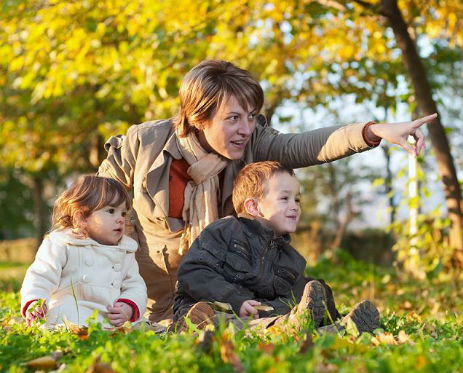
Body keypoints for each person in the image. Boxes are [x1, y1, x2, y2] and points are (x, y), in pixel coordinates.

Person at [98, 59, 436, 326]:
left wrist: (372, 131)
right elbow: (89, 211)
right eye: (233, 118)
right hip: (150, 301)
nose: (245, 129)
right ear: (199, 117)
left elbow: (306, 145)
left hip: (228, 290)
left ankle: (307, 321)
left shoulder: (252, 142)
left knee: (253, 316)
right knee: (197, 325)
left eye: (251, 116)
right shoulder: (144, 145)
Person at [174, 161, 380, 334]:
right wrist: (235, 300)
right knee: (219, 321)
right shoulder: (226, 230)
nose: (295, 206)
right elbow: (193, 271)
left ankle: (335, 328)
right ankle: (288, 327)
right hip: (208, 310)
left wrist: (321, 299)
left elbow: (301, 297)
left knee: (309, 290)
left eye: (297, 199)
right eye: (285, 198)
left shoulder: (290, 258)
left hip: (257, 314)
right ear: (254, 207)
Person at [20, 175, 147, 329]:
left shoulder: (125, 251)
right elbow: (41, 276)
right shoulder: (62, 243)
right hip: (68, 317)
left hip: (108, 319)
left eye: (123, 213)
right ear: (82, 218)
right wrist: (35, 301)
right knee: (65, 324)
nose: (120, 219)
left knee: (143, 328)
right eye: (111, 211)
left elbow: (135, 286)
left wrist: (128, 306)